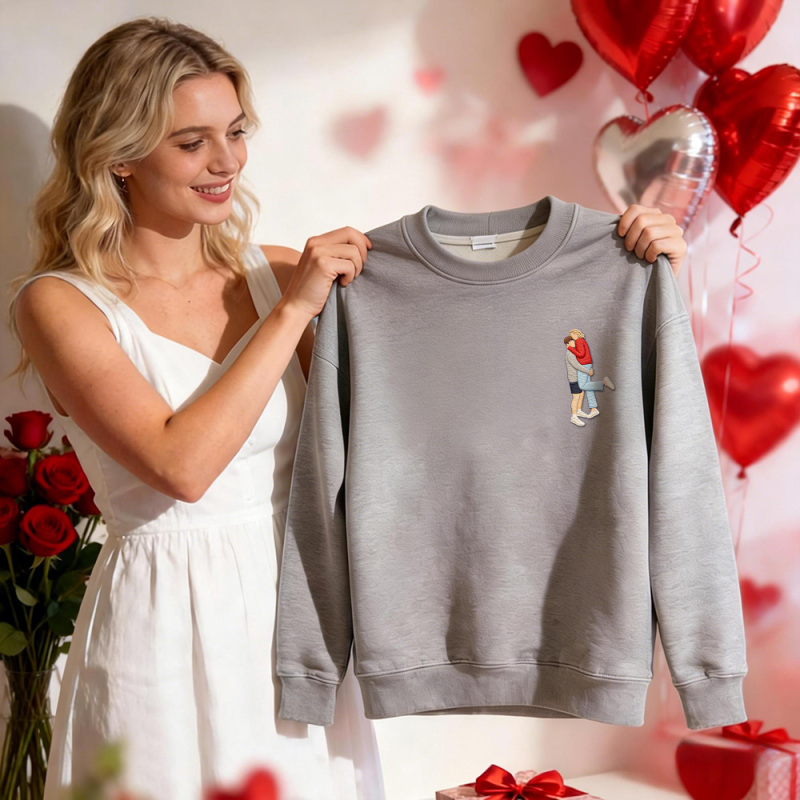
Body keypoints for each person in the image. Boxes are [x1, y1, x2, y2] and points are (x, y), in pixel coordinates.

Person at [11, 17, 690, 800]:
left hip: (297, 618)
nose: (227, 161)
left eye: (236, 131)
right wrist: (294, 311)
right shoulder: (60, 304)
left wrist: (637, 284)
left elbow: (449, 409)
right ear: (119, 155)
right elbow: (181, 466)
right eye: (192, 142)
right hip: (160, 621)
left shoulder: (276, 274)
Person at [567, 328, 615, 421]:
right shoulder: (582, 341)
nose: (572, 338)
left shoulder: (579, 341)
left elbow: (581, 354)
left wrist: (570, 348)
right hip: (587, 363)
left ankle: (603, 382)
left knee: (582, 386)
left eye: (572, 335)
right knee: (588, 387)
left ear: (575, 334)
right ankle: (594, 409)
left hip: (583, 364)